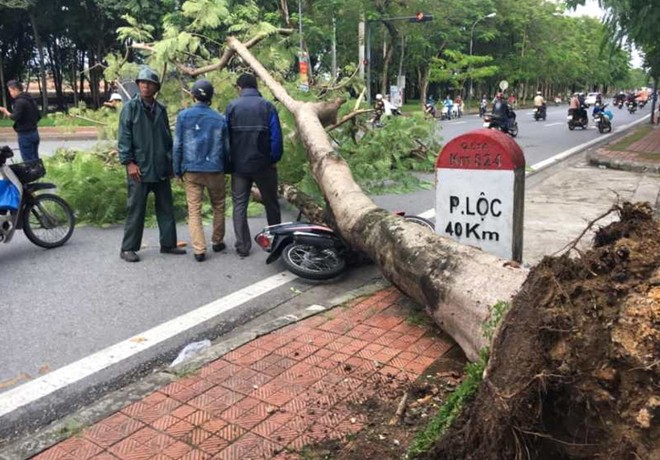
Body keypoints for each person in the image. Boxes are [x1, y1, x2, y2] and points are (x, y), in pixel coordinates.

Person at [117, 67, 185, 263]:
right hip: (140, 168)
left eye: (149, 83)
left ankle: (168, 243)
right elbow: (124, 138)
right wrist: (129, 163)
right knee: (135, 209)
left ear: (156, 87)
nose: (145, 86)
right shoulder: (130, 108)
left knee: (166, 207)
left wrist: (171, 163)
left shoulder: (161, 110)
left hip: (161, 167)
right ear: (138, 85)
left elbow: (167, 139)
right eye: (142, 83)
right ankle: (128, 248)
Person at [225, 73, 283, 258]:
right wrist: (273, 159)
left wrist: (229, 162)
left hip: (240, 166)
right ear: (256, 87)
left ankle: (243, 246)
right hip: (264, 164)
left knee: (239, 205)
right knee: (271, 203)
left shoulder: (232, 107)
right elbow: (276, 138)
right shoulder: (267, 106)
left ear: (239, 87)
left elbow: (225, 138)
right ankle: (276, 241)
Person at [173, 79, 229, 262]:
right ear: (211, 97)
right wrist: (226, 167)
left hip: (192, 170)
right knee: (219, 205)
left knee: (194, 210)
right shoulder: (220, 119)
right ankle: (217, 241)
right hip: (215, 169)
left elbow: (178, 146)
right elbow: (226, 147)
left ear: (192, 95)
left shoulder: (183, 116)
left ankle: (199, 250)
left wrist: (177, 169)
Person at [0, 80, 41, 162]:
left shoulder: (19, 102)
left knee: (28, 161)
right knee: (35, 159)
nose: (10, 93)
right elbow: (38, 116)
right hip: (35, 133)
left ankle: (31, 174)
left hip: (25, 135)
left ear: (15, 89)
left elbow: (14, 117)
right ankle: (39, 174)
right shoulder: (30, 99)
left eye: (10, 91)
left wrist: (5, 111)